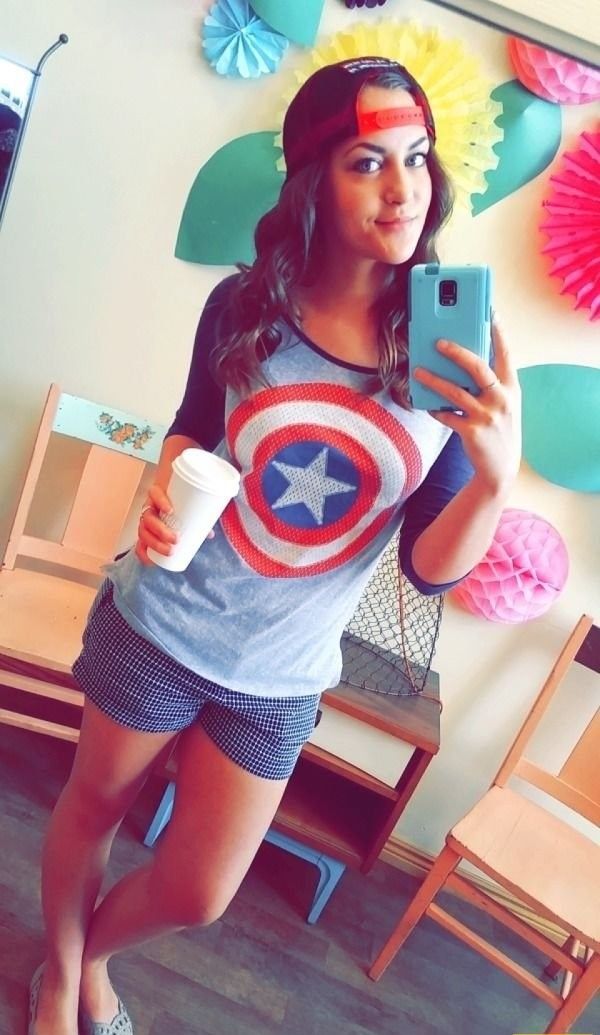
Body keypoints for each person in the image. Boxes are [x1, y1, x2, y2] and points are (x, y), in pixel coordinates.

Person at [29, 56, 521, 1035]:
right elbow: (191, 427)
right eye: (367, 162)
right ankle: (61, 980)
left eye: (416, 157)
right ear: (312, 181)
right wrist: (169, 480)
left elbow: (427, 568)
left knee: (199, 891)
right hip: (161, 624)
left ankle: (95, 953)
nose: (403, 189)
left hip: (281, 673)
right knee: (92, 811)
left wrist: (495, 478)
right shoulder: (246, 305)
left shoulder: (447, 347)